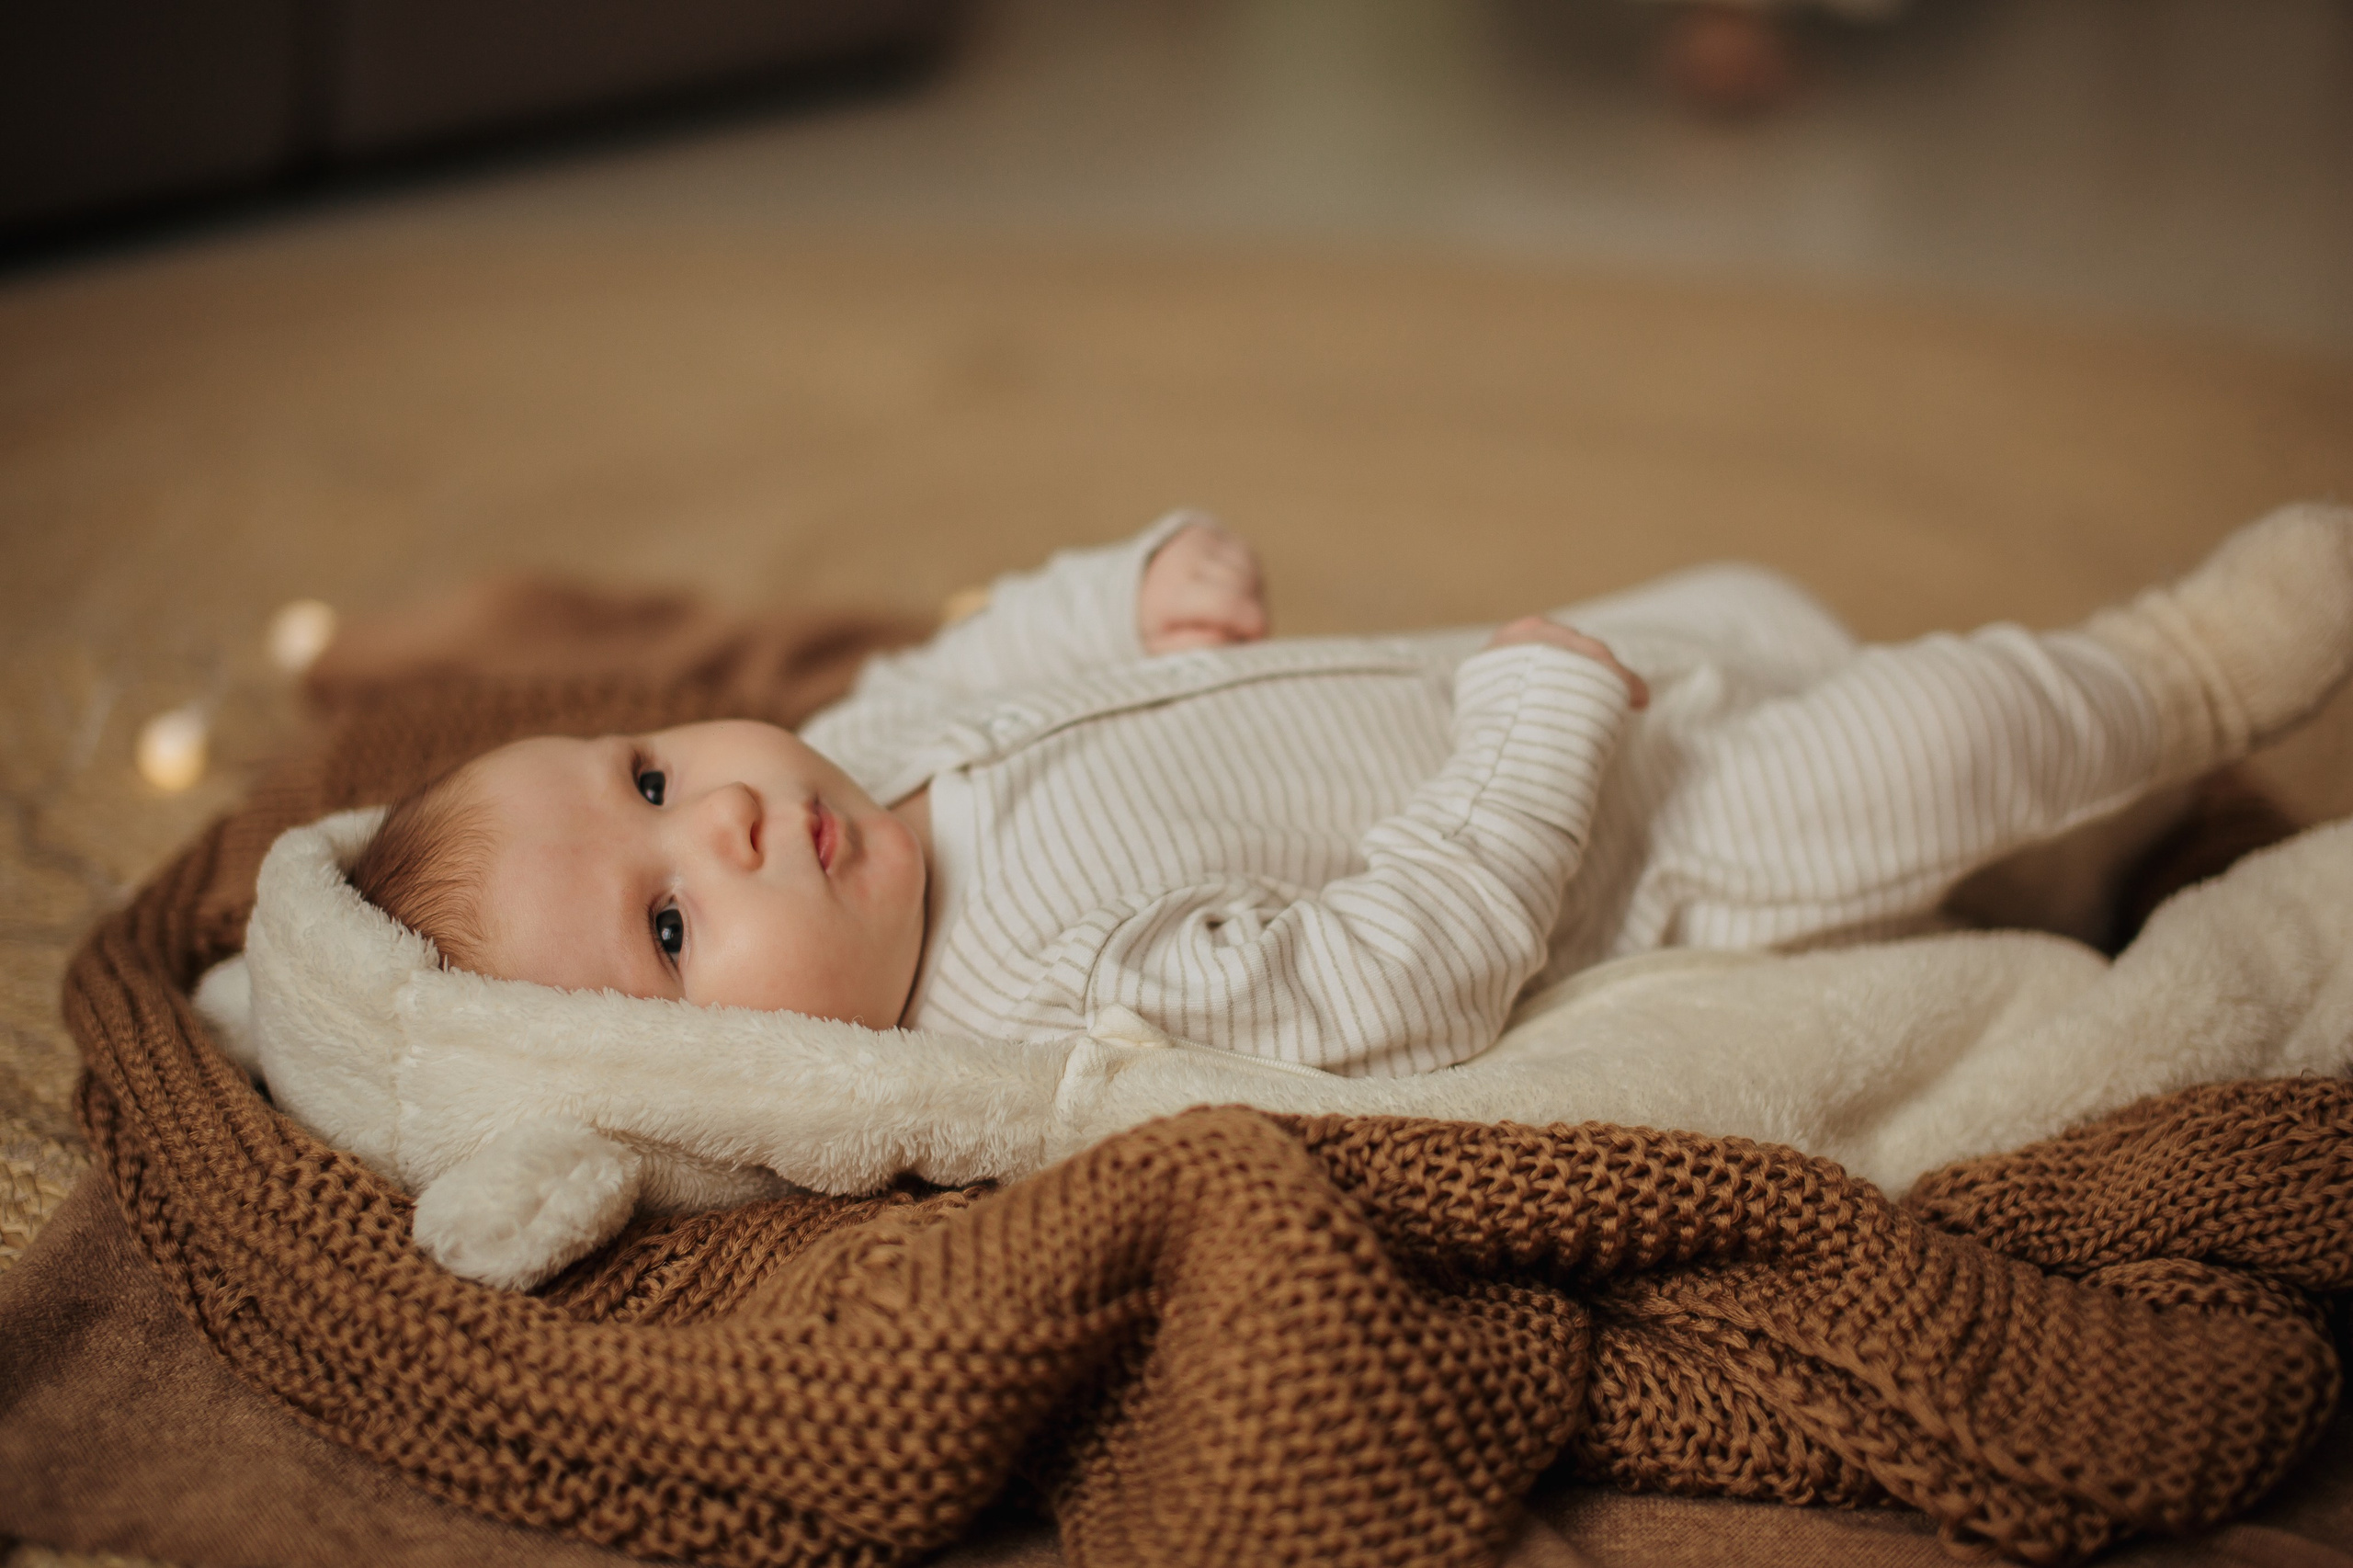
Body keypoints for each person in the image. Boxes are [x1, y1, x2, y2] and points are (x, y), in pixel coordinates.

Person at [351, 503, 2353, 1077]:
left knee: (1758, 597)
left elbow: (969, 657)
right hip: (1631, 846)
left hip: (1477, 684)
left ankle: (2076, 859)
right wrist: (1539, 734)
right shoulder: (1046, 997)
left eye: (642, 773)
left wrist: (1131, 590)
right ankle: (2191, 665)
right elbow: (1396, 975)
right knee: (1936, 737)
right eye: (672, 926)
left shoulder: (851, 776)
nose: (715, 816)